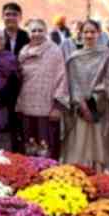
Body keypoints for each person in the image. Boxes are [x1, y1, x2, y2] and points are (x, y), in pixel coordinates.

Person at [60, 19, 109, 172]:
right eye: (86, 32)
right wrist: (82, 104)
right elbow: (71, 84)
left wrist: (93, 102)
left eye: (92, 32)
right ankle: (77, 182)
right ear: (80, 34)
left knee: (98, 151)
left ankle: (98, 182)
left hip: (100, 111)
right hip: (79, 114)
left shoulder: (107, 55)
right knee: (79, 149)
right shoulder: (73, 58)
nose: (89, 35)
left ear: (99, 34)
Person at [16, 18, 68, 159]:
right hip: (26, 107)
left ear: (46, 32)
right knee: (29, 148)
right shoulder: (24, 51)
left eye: (40, 30)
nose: (37, 33)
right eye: (33, 30)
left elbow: (62, 77)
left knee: (47, 150)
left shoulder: (54, 51)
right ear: (28, 33)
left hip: (47, 110)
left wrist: (58, 106)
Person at [1, 1, 29, 152]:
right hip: (2, 92)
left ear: (20, 17)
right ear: (2, 17)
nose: (10, 17)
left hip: (24, 90)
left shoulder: (28, 37)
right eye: (7, 14)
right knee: (5, 130)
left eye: (14, 14)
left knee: (23, 131)